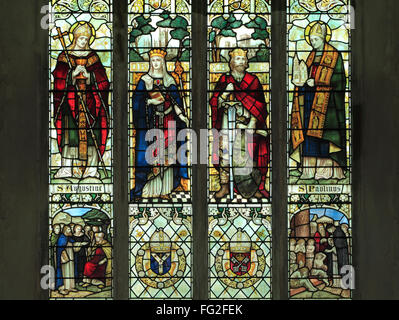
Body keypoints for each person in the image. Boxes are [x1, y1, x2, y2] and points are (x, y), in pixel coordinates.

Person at [209, 48, 270, 199]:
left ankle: (252, 187)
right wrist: (224, 93)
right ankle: (224, 187)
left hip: (248, 126)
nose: (241, 62)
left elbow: (260, 106)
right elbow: (214, 102)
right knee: (225, 155)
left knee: (249, 155)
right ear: (231, 62)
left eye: (243, 59)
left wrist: (252, 122)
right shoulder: (224, 80)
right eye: (237, 59)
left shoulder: (253, 81)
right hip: (226, 124)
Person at [290, 21, 347, 180]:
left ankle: (327, 171)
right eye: (311, 40)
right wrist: (301, 83)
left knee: (323, 138)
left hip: (328, 107)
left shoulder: (334, 56)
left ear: (323, 38)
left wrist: (318, 83)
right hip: (310, 102)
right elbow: (307, 75)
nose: (313, 43)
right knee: (309, 136)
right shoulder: (311, 56)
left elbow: (340, 81)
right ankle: (308, 170)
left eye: (315, 40)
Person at [52, 21, 110, 179]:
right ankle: (66, 168)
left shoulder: (93, 58)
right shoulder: (65, 57)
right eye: (81, 38)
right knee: (69, 136)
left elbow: (104, 82)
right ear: (75, 38)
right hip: (70, 104)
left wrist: (90, 76)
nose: (84, 42)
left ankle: (92, 170)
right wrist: (71, 75)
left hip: (91, 104)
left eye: (86, 39)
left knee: (93, 137)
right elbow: (58, 79)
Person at [131, 49, 189, 200]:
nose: (156, 64)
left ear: (163, 63)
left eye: (159, 61)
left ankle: (165, 189)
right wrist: (149, 101)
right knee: (151, 156)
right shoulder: (144, 80)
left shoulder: (170, 81)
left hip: (169, 123)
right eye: (153, 61)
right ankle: (148, 190)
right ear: (150, 63)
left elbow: (176, 102)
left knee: (169, 156)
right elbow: (136, 103)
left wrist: (182, 115)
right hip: (151, 124)